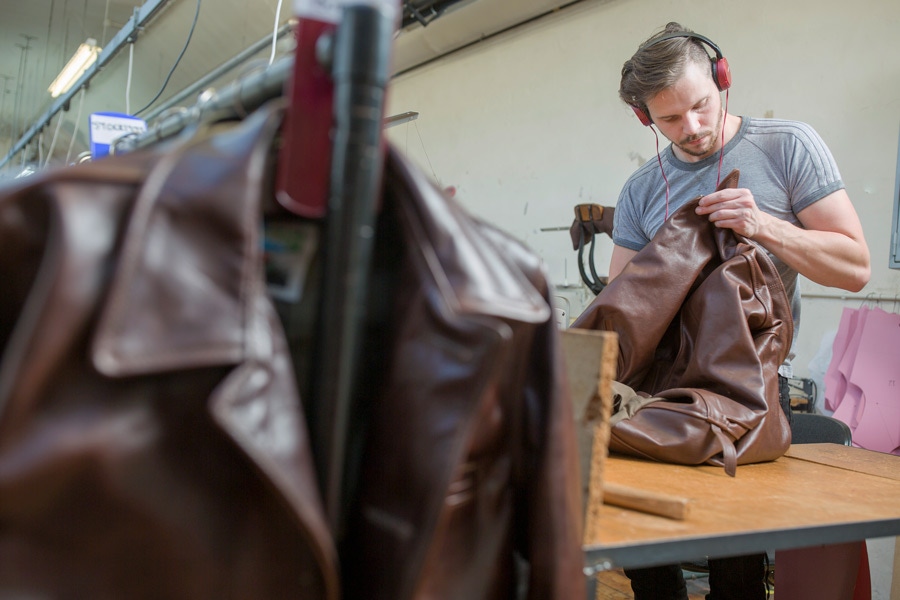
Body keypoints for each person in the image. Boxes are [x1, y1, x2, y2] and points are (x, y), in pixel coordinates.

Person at [611, 22, 871, 600]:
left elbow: (855, 267)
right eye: (670, 120)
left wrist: (763, 226)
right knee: (641, 544)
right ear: (644, 119)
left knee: (736, 561)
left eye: (701, 106)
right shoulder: (638, 192)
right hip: (661, 392)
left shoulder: (788, 146)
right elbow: (622, 307)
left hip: (748, 387)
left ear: (721, 77)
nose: (693, 128)